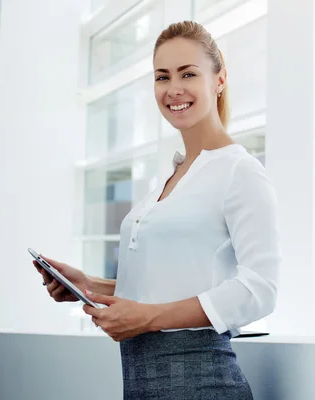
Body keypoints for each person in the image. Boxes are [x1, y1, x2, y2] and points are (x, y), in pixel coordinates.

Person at [33, 20, 282, 399]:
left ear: (219, 80)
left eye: (188, 74)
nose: (173, 88)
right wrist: (90, 286)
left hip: (202, 384)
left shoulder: (240, 171)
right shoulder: (172, 177)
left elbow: (259, 289)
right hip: (141, 383)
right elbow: (174, 282)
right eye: (162, 77)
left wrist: (146, 318)